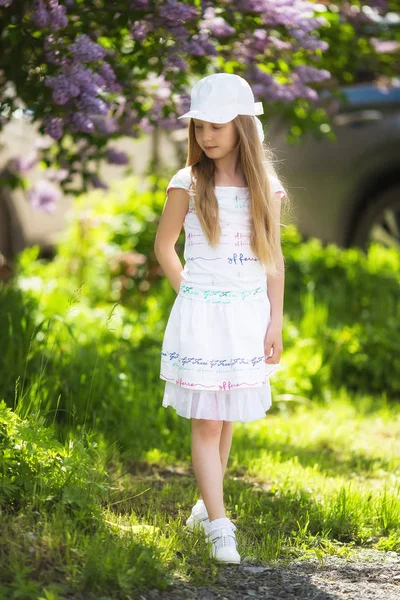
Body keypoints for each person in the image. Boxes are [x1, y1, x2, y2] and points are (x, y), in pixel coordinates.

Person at [154, 72, 288, 565]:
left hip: (247, 315)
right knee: (208, 422)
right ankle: (219, 526)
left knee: (226, 414)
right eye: (200, 126)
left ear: (242, 127)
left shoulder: (264, 188)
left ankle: (204, 507)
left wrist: (275, 321)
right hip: (204, 315)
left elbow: (272, 257)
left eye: (217, 125)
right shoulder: (187, 183)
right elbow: (164, 246)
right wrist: (188, 291)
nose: (207, 136)